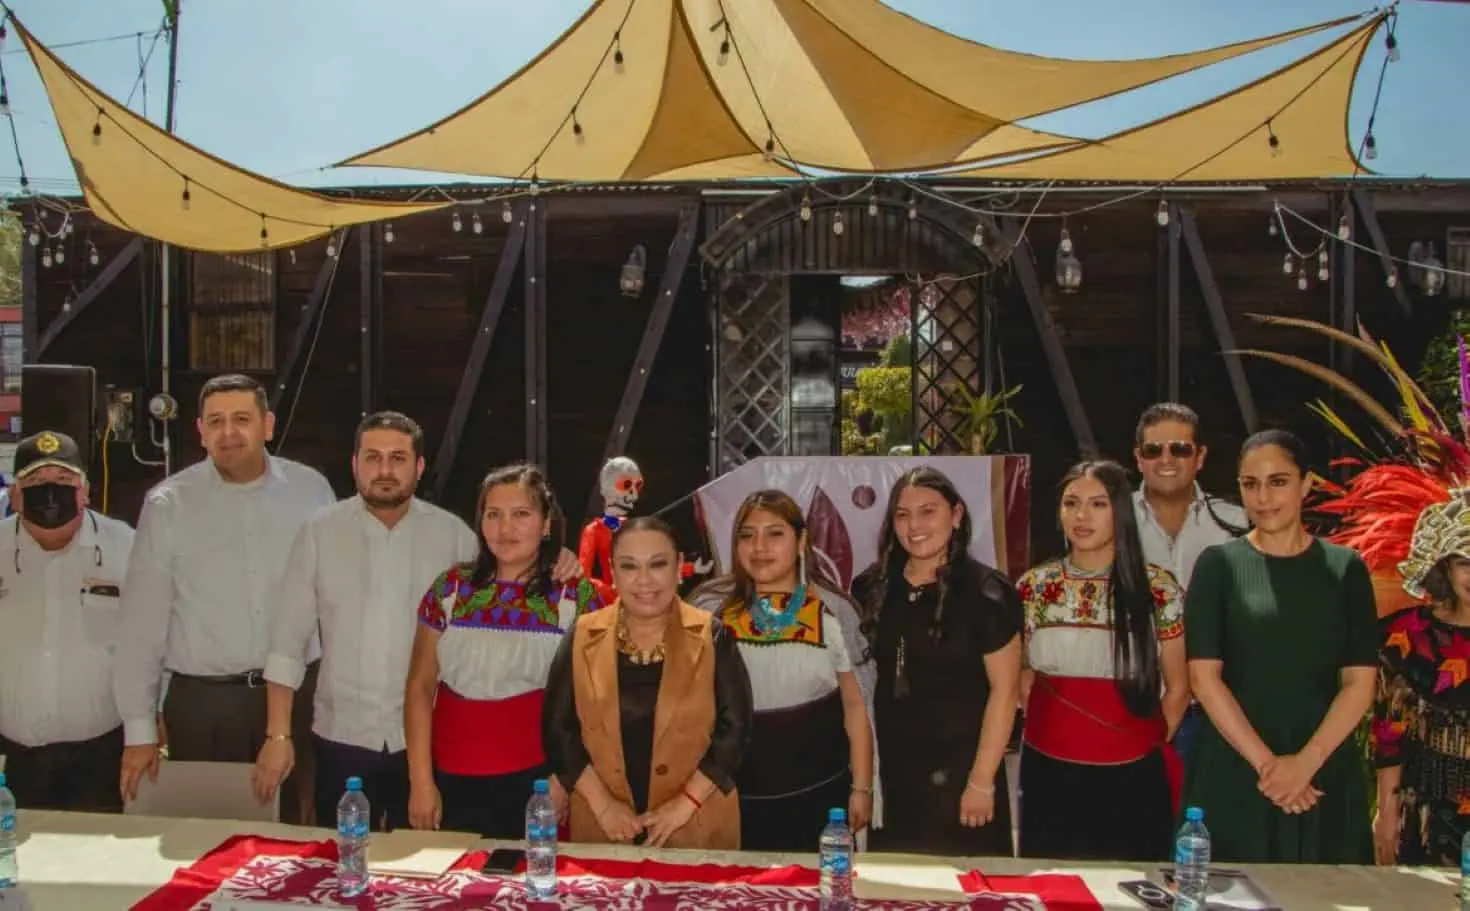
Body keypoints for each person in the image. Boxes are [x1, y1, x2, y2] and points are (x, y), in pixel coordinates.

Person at [113, 374, 337, 822]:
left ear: (267, 425)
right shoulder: (168, 504)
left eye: (241, 419)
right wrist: (139, 728)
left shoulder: (311, 491)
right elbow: (141, 625)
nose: (228, 432)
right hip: (203, 704)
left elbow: (332, 599)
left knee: (294, 839)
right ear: (200, 431)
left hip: (295, 695)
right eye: (216, 421)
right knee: (205, 840)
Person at [252, 412, 479, 831]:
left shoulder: (456, 539)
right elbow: (288, 640)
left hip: (428, 742)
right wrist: (278, 736)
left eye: (398, 458)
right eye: (373, 458)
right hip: (342, 736)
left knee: (421, 877)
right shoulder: (320, 532)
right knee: (340, 872)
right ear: (355, 464)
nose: (385, 471)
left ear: (420, 467)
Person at [1182, 428, 1376, 863]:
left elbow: (1359, 682)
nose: (1263, 498)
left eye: (1278, 481)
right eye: (1251, 484)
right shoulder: (1218, 566)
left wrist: (1305, 764)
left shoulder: (1347, 569)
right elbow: (1203, 678)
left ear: (1307, 484)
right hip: (1236, 767)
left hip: (1322, 767)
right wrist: (1269, 767)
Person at [405, 463, 601, 837]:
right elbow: (419, 687)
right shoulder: (450, 589)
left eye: (521, 514)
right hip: (450, 780)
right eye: (493, 515)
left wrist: (565, 778)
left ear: (546, 525)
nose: (504, 529)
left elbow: (595, 702)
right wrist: (420, 781)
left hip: (540, 782)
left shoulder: (574, 597)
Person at [543, 516, 754, 849]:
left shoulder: (712, 635)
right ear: (612, 570)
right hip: (604, 827)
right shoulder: (582, 634)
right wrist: (603, 806)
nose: (644, 581)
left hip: (695, 824)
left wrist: (684, 805)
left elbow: (736, 730)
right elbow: (558, 730)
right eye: (629, 567)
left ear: (679, 566)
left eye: (658, 565)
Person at [1016, 460, 1188, 861]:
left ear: (1121, 511)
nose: (1081, 516)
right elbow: (1022, 679)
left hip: (1134, 771)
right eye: (1071, 503)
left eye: (1098, 504)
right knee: (1053, 886)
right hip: (1049, 768)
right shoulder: (1034, 588)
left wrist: (1136, 744)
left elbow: (1179, 688)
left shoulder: (1157, 590)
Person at [689, 490, 875, 850]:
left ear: (801, 540)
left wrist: (863, 788)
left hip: (818, 796)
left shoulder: (834, 612)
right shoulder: (708, 610)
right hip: (732, 797)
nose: (759, 547)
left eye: (775, 533)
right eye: (747, 535)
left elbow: (857, 707)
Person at [852, 465, 1022, 856]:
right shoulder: (870, 587)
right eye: (902, 514)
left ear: (956, 514)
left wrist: (981, 781)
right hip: (893, 774)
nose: (915, 525)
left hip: (963, 772)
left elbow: (1005, 691)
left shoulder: (987, 594)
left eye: (928, 511)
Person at [0, 431, 134, 811]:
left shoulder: (125, 547)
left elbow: (151, 639)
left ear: (85, 491)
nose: (50, 493)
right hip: (10, 754)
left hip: (102, 753)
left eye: (63, 482)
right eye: (36, 483)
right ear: (14, 495)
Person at [1131, 402, 1246, 762]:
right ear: (1139, 459)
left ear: (1199, 457)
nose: (1167, 459)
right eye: (1154, 450)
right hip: (1138, 710)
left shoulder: (1236, 525)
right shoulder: (1112, 524)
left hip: (1219, 712)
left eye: (1180, 449)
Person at [1372, 490, 1470, 866]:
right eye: (1465, 562)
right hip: (1425, 820)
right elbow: (1390, 732)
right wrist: (1386, 812)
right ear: (1444, 566)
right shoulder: (1408, 637)